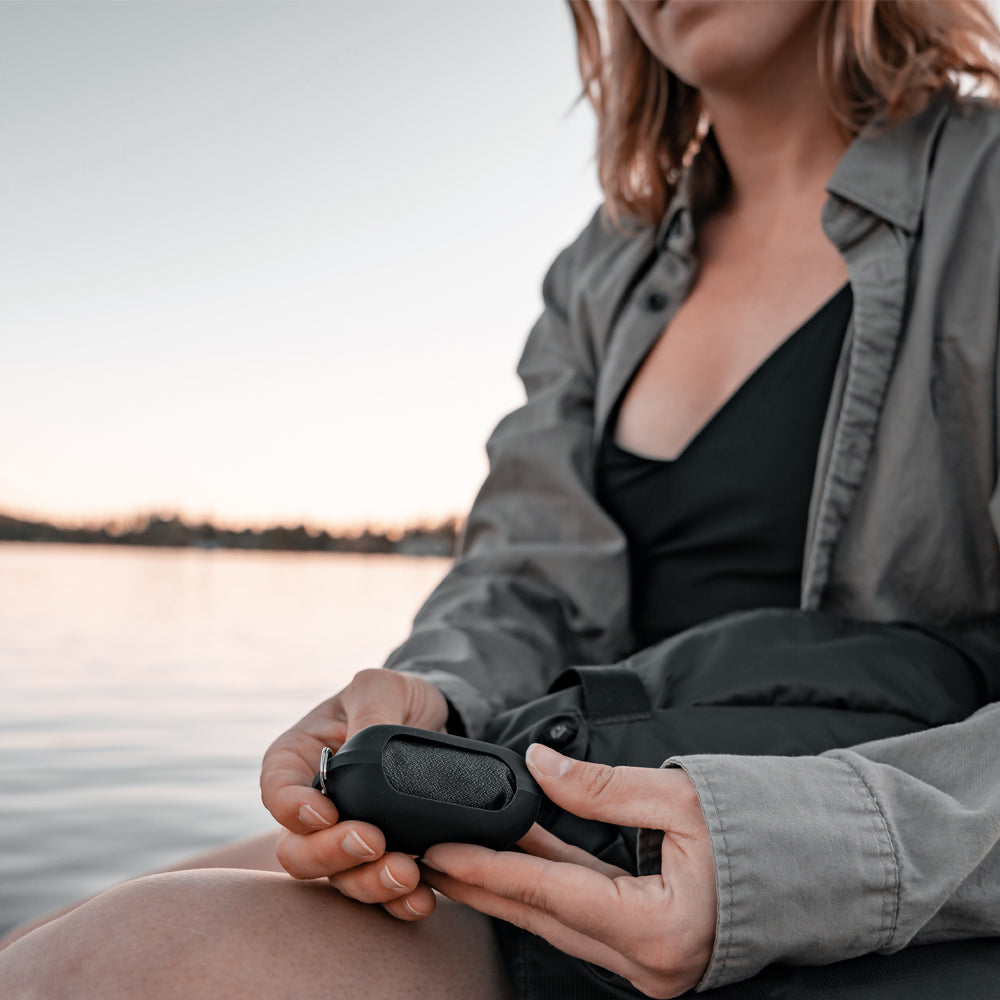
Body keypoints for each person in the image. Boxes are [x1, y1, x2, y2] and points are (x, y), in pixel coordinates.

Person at [3, 1, 1000, 997]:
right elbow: (524, 572)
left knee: (120, 958)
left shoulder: (984, 192)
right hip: (562, 842)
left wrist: (782, 859)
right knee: (47, 946)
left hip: (881, 908)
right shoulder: (601, 271)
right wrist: (434, 693)